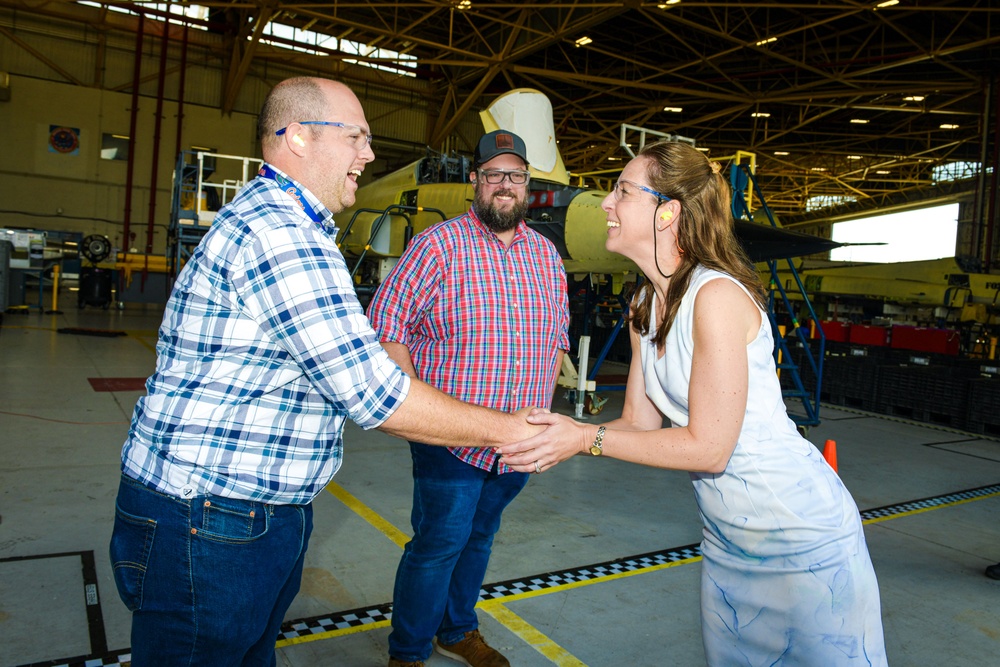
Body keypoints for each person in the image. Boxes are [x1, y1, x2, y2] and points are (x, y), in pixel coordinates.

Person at [108, 78, 543, 667]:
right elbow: (372, 392)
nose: (368, 154)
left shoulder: (296, 228)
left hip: (235, 517)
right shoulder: (281, 236)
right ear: (298, 138)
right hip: (208, 522)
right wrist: (517, 432)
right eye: (357, 137)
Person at [497, 140, 888, 665]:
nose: (607, 205)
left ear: (669, 212)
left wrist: (585, 438)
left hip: (801, 539)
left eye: (622, 192)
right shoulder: (644, 303)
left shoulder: (717, 297)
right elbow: (638, 421)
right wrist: (562, 433)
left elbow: (710, 449)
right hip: (728, 542)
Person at [367, 129, 570, 667]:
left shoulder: (547, 257)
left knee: (480, 537)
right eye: (494, 175)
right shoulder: (437, 245)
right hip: (449, 440)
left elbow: (556, 341)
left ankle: (456, 630)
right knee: (438, 544)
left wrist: (543, 417)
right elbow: (387, 328)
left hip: (517, 441)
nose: (506, 185)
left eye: (516, 175)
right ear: (475, 183)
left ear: (528, 185)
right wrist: (417, 408)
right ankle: (407, 651)